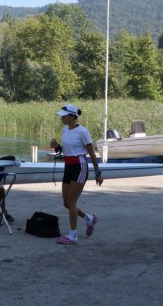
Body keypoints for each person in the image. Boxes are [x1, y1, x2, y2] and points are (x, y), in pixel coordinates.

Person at [50, 104, 103, 245]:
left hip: (80, 167)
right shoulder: (64, 130)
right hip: (68, 167)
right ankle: (89, 219)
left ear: (73, 116)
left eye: (64, 116)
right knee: (66, 203)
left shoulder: (83, 132)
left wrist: (98, 173)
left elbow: (92, 154)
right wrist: (57, 147)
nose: (61, 118)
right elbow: (67, 150)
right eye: (61, 115)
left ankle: (73, 235)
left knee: (72, 201)